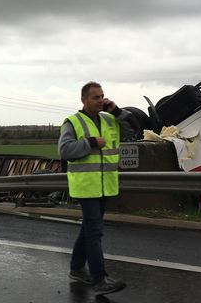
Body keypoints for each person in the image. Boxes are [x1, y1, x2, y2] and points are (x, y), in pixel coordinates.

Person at [58, 81, 135, 296]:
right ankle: (99, 280)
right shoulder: (72, 122)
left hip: (105, 185)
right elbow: (64, 150)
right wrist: (91, 142)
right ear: (83, 100)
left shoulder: (110, 119)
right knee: (94, 231)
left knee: (89, 229)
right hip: (86, 186)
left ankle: (76, 269)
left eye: (102, 96)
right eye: (95, 97)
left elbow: (133, 130)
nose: (100, 100)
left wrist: (117, 111)